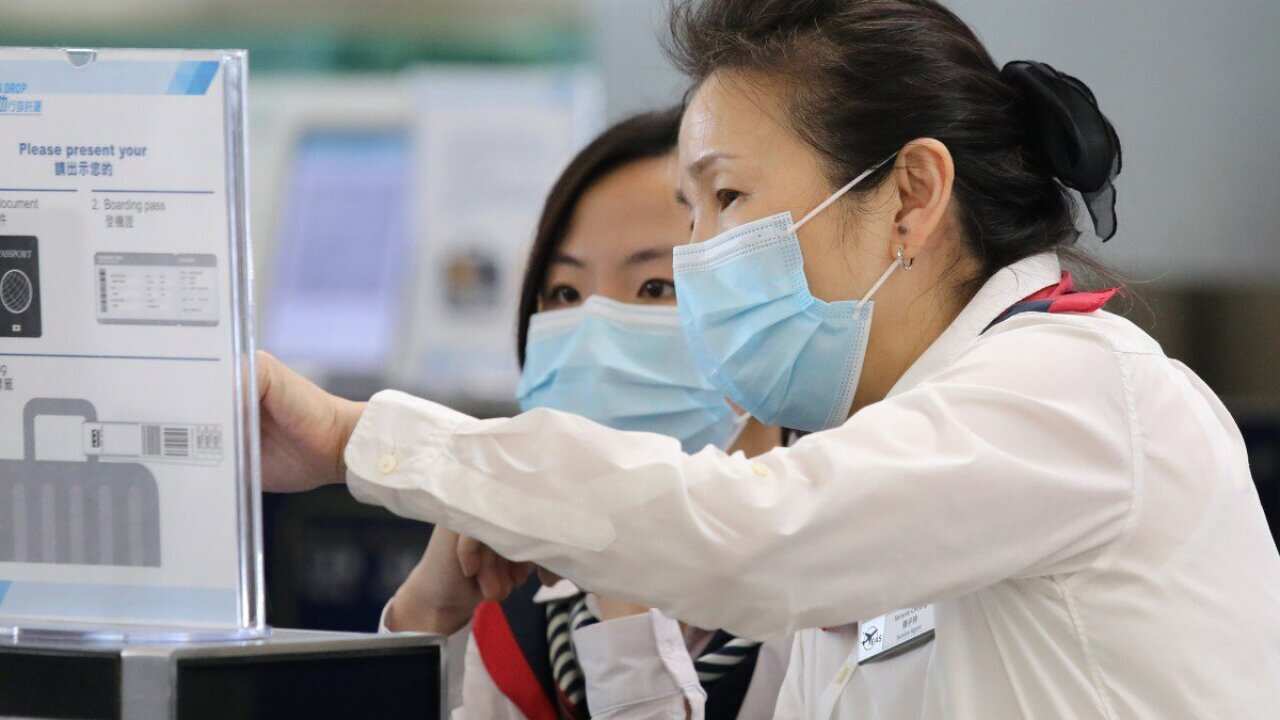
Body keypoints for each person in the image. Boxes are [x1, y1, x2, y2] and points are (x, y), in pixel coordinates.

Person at [257, 0, 1280, 717]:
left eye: (729, 200)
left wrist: (363, 437)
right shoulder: (884, 464)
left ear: (912, 197)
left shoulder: (1077, 387)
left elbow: (746, 534)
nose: (701, 260)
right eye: (689, 215)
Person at [376, 108, 794, 718]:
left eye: (655, 286)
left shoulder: (841, 596)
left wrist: (627, 593)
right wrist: (428, 615)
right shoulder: (518, 612)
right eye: (565, 293)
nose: (596, 333)